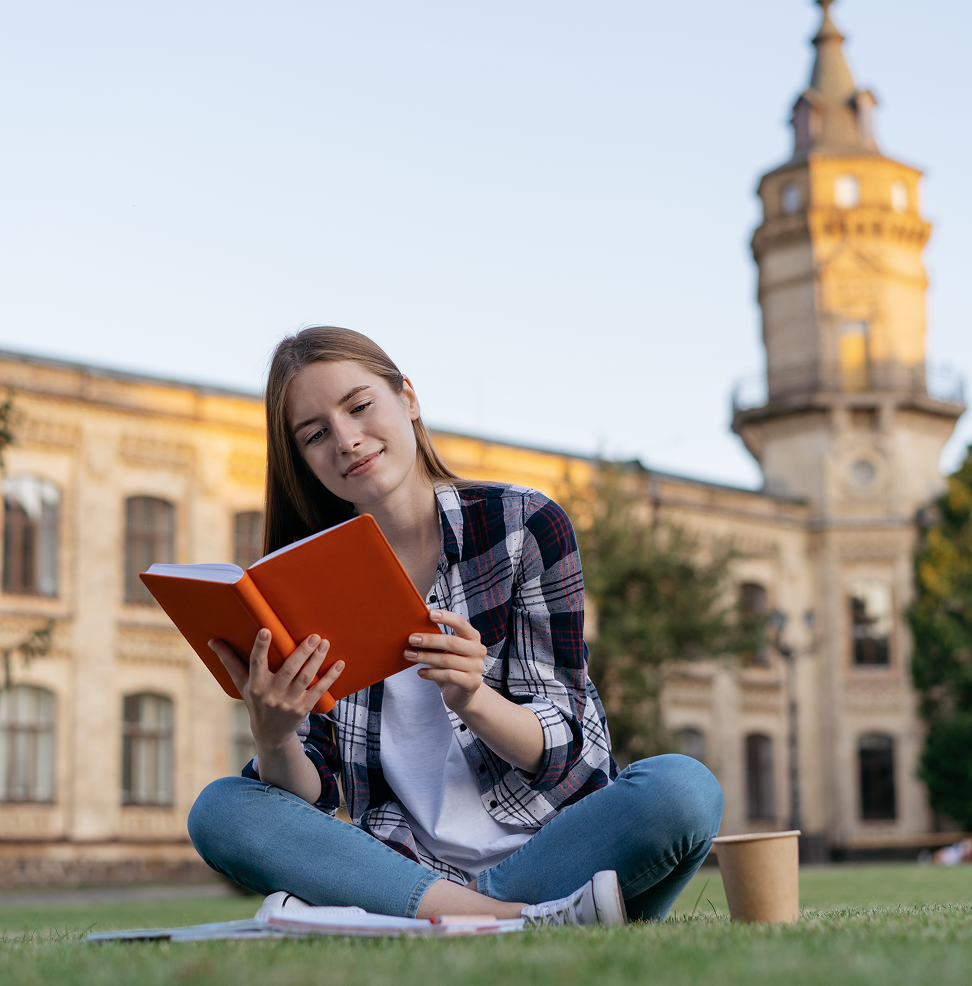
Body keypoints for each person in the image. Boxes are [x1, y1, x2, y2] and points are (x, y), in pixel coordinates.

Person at [187, 326, 723, 925]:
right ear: (303, 460)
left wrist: (474, 698)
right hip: (404, 868)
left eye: (359, 406)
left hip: (554, 852)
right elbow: (310, 800)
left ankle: (453, 921)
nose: (346, 439)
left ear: (408, 400)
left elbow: (574, 756)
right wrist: (274, 735)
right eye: (315, 435)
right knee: (219, 810)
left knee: (683, 789)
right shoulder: (301, 584)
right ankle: (523, 922)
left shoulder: (522, 525)